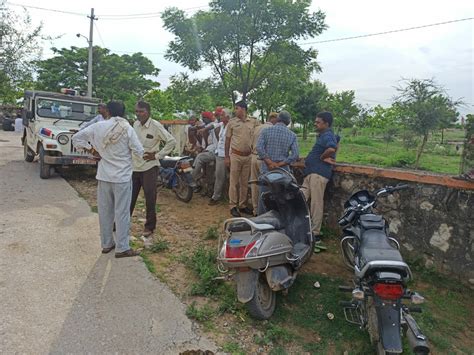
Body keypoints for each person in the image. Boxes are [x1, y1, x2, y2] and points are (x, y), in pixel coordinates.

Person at [72, 101, 144, 258]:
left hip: (104, 176)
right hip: (122, 177)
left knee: (105, 212)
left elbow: (76, 138)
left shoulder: (98, 126)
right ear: (124, 113)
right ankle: (122, 247)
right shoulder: (127, 128)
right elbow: (139, 150)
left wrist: (92, 150)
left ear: (108, 111)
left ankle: (106, 244)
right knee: (122, 212)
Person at [130, 101, 176, 239]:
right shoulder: (135, 125)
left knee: (150, 198)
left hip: (149, 167)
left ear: (148, 112)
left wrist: (157, 155)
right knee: (129, 197)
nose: (139, 114)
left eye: (141, 111)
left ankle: (150, 226)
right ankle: (122, 222)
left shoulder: (155, 126)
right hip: (134, 167)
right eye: (137, 111)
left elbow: (171, 141)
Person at [301, 111, 338, 239]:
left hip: (318, 174)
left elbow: (332, 148)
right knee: (300, 198)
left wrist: (323, 157)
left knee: (316, 203)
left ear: (326, 124)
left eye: (318, 122)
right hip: (311, 172)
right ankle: (300, 225)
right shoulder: (323, 135)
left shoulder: (328, 135)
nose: (315, 124)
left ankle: (315, 232)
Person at [256, 111, 299, 214]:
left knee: (263, 194)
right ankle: (279, 218)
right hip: (283, 171)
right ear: (288, 122)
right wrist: (279, 164)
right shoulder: (292, 135)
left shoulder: (266, 131)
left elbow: (259, 148)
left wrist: (269, 162)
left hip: (267, 169)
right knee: (281, 196)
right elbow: (295, 155)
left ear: (277, 119)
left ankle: (262, 218)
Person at [224, 101, 259, 217]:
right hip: (235, 155)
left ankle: (242, 205)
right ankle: (233, 205)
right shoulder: (232, 122)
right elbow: (227, 140)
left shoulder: (254, 121)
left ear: (243, 109)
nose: (235, 110)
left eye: (237, 108)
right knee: (233, 182)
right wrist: (226, 157)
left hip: (248, 156)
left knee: (244, 182)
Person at [250, 112, 277, 215]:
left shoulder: (257, 128)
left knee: (254, 184)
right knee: (264, 186)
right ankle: (264, 211)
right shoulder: (271, 129)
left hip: (253, 157)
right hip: (263, 160)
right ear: (273, 119)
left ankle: (255, 209)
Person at [192, 111, 219, 194]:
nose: (203, 119)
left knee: (208, 167)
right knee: (205, 169)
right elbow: (203, 142)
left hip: (214, 151)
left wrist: (206, 149)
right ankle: (203, 186)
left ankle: (193, 178)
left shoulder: (215, 126)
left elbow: (215, 144)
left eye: (205, 118)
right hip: (208, 150)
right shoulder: (206, 127)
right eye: (203, 118)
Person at [209, 108, 231, 205]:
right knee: (219, 176)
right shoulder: (221, 125)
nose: (220, 117)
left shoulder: (231, 126)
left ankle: (217, 197)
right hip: (219, 153)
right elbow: (213, 127)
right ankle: (217, 196)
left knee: (222, 176)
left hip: (227, 154)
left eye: (222, 115)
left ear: (228, 117)